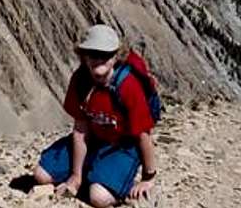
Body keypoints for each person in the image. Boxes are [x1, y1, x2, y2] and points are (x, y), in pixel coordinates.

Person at [32, 24, 158, 206]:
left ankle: (109, 181)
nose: (98, 60)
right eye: (92, 54)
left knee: (98, 198)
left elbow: (143, 135)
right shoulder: (81, 81)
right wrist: (75, 176)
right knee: (41, 175)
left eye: (105, 55)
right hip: (94, 139)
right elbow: (80, 130)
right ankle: (91, 176)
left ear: (115, 57)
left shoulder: (128, 85)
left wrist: (148, 177)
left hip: (123, 145)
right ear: (84, 56)